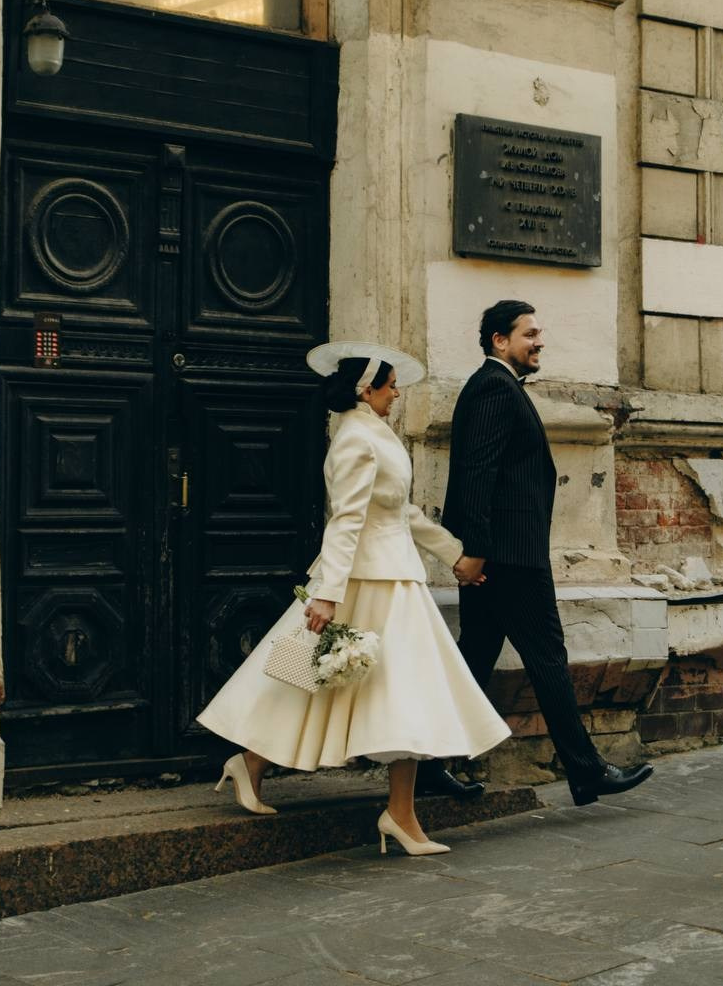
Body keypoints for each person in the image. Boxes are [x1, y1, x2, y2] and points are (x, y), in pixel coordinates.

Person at [197, 341, 510, 855]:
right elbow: (346, 520)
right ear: (367, 389)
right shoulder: (355, 440)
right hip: (367, 580)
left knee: (343, 682)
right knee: (352, 682)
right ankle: (389, 812)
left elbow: (399, 511)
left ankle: (257, 764)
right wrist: (328, 594)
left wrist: (453, 554)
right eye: (391, 388)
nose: (397, 397)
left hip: (392, 577)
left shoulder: (376, 434)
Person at [420, 300, 653, 807]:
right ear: (500, 340)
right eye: (530, 333)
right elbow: (475, 477)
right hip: (508, 559)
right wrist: (477, 551)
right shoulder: (491, 389)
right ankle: (587, 771)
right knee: (547, 658)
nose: (539, 341)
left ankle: (429, 765)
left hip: (504, 555)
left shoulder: (501, 388)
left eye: (539, 332)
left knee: (475, 659)